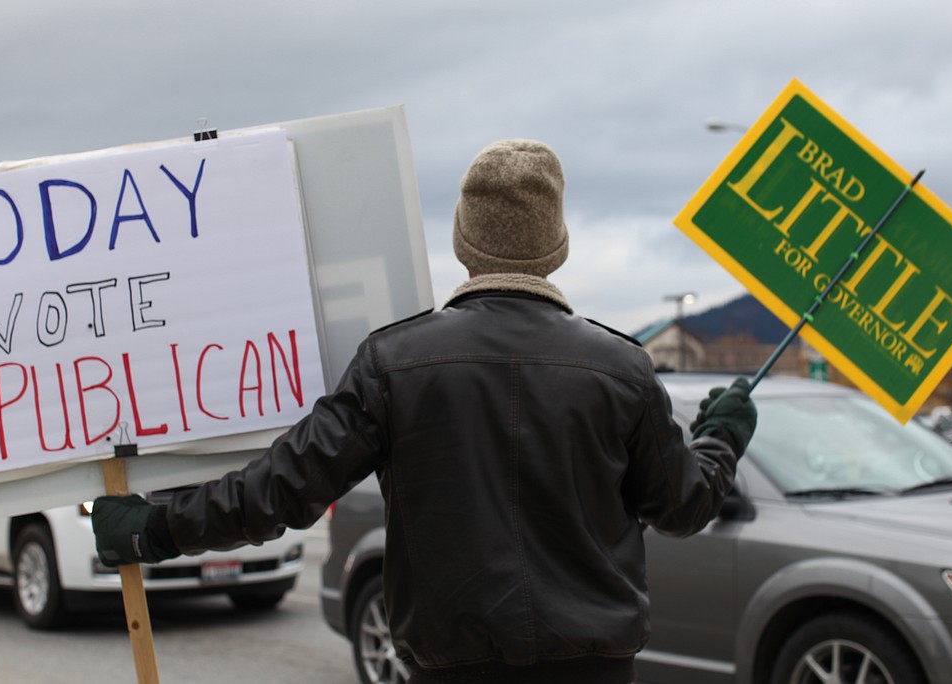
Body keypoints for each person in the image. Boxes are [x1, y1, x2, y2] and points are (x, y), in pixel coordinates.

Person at [92, 139, 756, 684]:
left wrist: (158, 529)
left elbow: (283, 490)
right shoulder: (622, 367)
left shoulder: (395, 362)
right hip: (594, 669)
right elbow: (684, 506)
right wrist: (722, 433)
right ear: (557, 248)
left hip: (449, 666)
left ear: (464, 241)